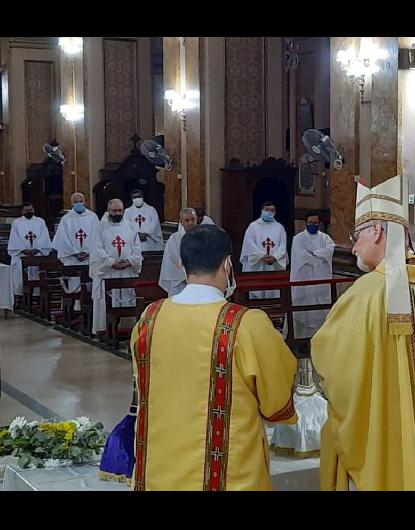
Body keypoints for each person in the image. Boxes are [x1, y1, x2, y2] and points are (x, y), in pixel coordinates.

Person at [311, 175, 415, 491]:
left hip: (387, 437)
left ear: (377, 231)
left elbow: (334, 368)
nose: (354, 245)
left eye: (357, 234)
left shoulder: (368, 293)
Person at [129, 224, 298, 490]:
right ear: (227, 264)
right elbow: (277, 403)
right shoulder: (246, 325)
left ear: (182, 264)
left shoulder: (149, 319)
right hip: (228, 477)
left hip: (160, 473)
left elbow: (142, 386)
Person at [89, 199, 142, 336]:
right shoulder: (100, 228)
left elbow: (137, 247)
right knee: (106, 302)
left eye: (120, 210)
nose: (118, 213)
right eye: (114, 211)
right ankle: (104, 329)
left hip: (126, 272)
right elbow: (96, 249)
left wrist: (130, 261)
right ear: (108, 211)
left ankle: (128, 328)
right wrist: (111, 262)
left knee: (127, 300)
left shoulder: (130, 226)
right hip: (108, 273)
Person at [288, 210, 335, 340]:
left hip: (321, 282)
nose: (313, 224)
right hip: (304, 281)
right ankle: (300, 341)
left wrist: (315, 253)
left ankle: (320, 340)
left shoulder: (325, 238)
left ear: (319, 223)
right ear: (305, 223)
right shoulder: (298, 239)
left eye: (315, 222)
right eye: (310, 222)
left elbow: (330, 249)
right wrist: (319, 256)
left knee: (320, 311)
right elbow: (303, 256)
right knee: (303, 313)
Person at [52, 192, 99, 307]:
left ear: (84, 202)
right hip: (72, 259)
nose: (79, 204)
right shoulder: (66, 219)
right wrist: (75, 253)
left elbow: (98, 236)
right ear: (72, 203)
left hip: (90, 258)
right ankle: (75, 309)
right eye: (76, 202)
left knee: (89, 284)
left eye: (80, 201)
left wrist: (88, 252)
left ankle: (90, 307)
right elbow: (62, 239)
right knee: (74, 282)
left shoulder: (92, 217)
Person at [240, 201, 288, 299]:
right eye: (267, 210)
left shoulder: (279, 228)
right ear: (262, 211)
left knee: (274, 294)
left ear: (275, 212)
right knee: (257, 294)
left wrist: (275, 257)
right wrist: (262, 256)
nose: (269, 212)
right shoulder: (253, 227)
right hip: (257, 266)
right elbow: (249, 244)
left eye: (272, 210)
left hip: (273, 265)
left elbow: (283, 245)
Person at [7, 202, 52, 297]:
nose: (28, 212)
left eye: (30, 210)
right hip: (22, 255)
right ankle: (20, 295)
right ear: (22, 211)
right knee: (19, 274)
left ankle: (37, 296)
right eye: (26, 210)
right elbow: (14, 239)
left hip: (37, 254)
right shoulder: (16, 223)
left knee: (38, 272)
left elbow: (44, 237)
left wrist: (37, 249)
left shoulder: (40, 222)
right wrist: (23, 250)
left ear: (34, 210)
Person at [158, 208, 197, 296]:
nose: (191, 223)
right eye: (187, 220)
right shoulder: (174, 239)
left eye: (193, 219)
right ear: (181, 222)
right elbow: (178, 260)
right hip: (178, 280)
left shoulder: (202, 237)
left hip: (197, 280)